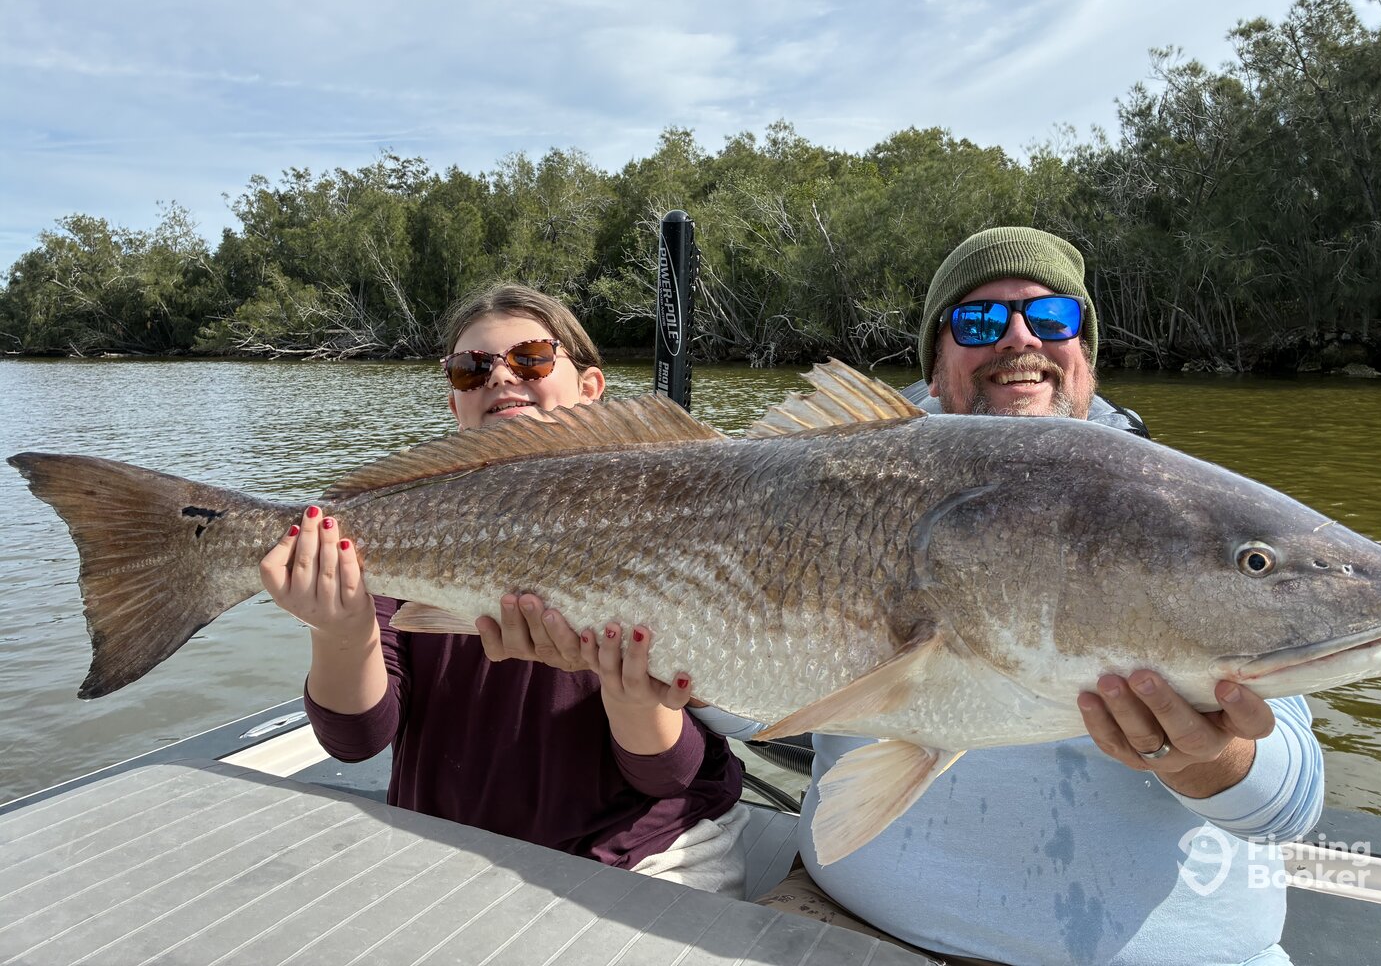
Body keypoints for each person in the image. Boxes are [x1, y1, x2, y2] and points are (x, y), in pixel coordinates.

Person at [698, 227, 1324, 964]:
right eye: (978, 320)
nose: (1019, 338)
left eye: (1053, 317)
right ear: (936, 366)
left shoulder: (1182, 516)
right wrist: (664, 675)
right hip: (845, 919)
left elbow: (1290, 809)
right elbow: (751, 706)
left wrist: (1205, 759)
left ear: (1086, 355)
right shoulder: (839, 493)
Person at [258, 283, 747, 895]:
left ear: (590, 387)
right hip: (447, 855)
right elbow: (355, 740)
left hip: (644, 851)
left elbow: (669, 776)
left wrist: (631, 697)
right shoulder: (403, 527)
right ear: (454, 403)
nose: (500, 377)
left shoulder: (673, 514)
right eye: (470, 369)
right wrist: (341, 630)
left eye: (532, 359)